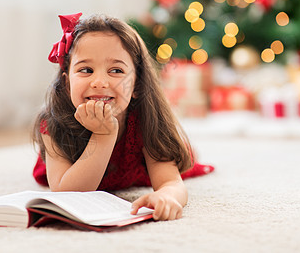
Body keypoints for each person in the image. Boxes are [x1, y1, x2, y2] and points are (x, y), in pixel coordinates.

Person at [32, 13, 214, 221]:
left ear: (137, 85)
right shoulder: (54, 122)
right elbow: (68, 193)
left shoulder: (144, 121)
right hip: (77, 165)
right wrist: (103, 137)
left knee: (183, 156)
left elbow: (171, 182)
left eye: (116, 70)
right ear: (67, 84)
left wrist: (165, 196)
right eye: (86, 70)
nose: (99, 82)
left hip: (139, 168)